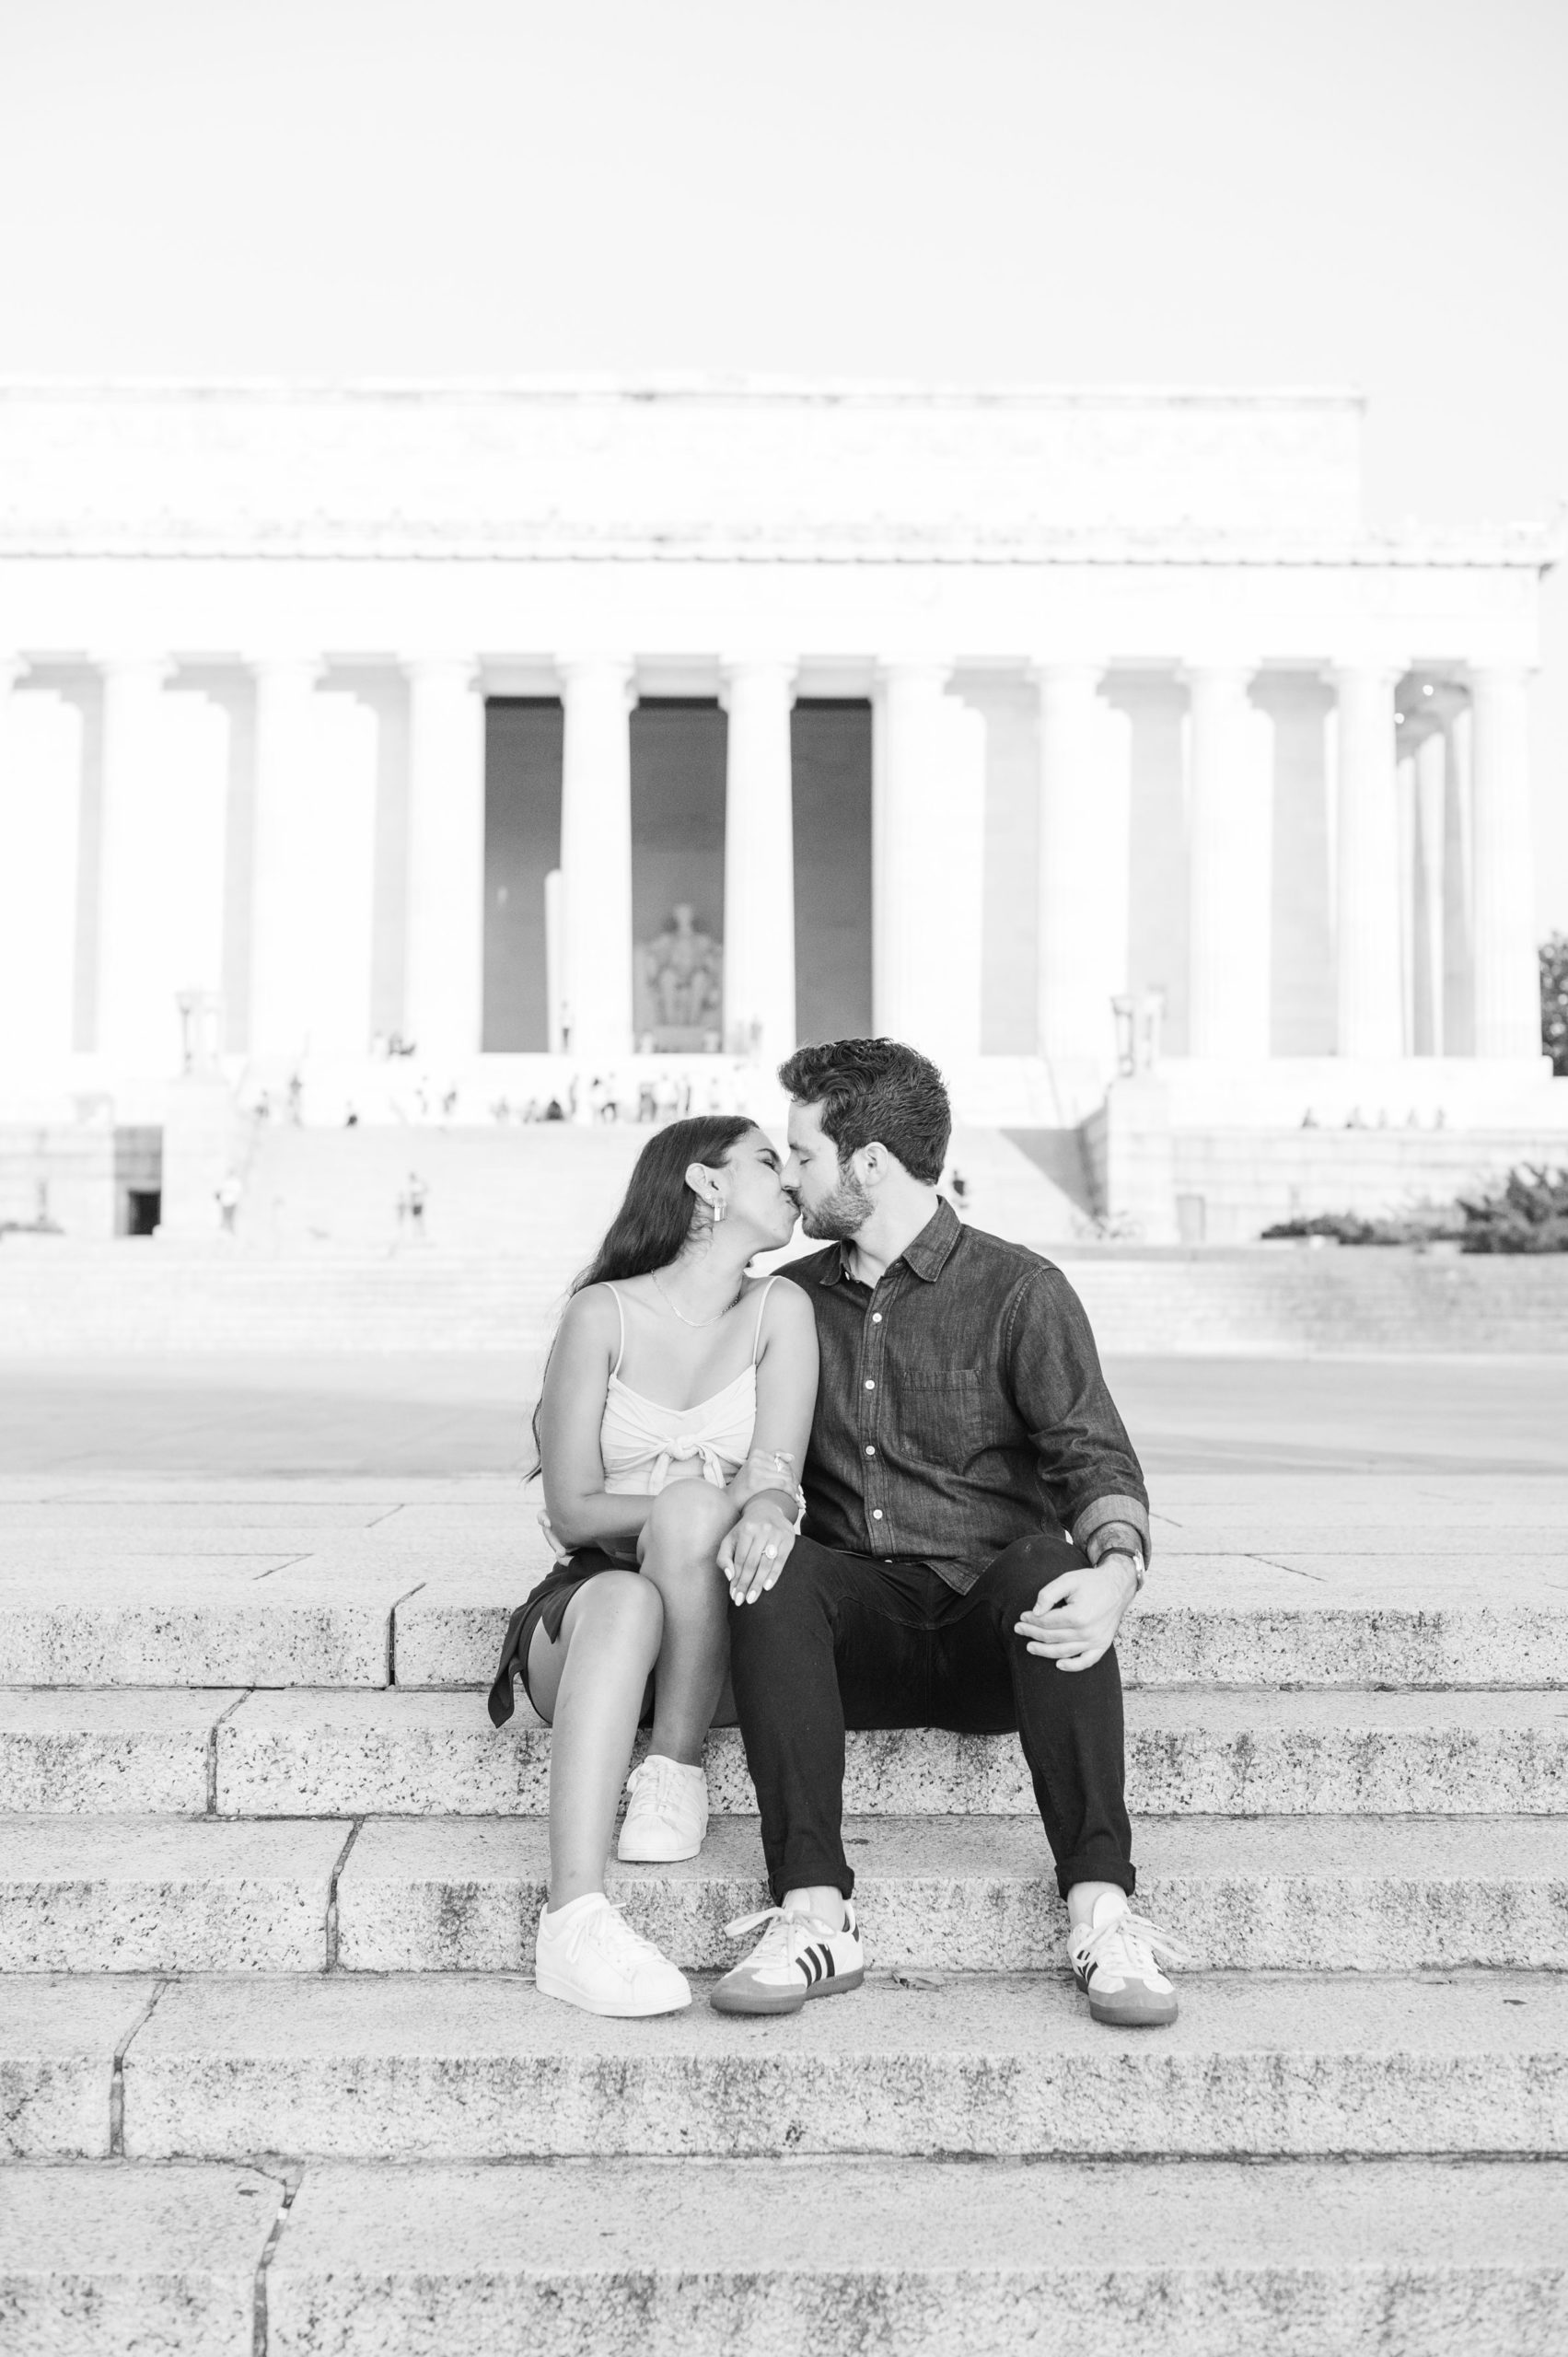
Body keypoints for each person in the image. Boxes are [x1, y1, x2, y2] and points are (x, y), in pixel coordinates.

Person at [714, 1037, 1183, 2029]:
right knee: (774, 1570)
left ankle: (1101, 1909)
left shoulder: (1019, 1291)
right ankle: (813, 1915)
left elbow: (1095, 1458)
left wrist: (1118, 1571)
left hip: (991, 1638)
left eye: (803, 1155)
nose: (790, 1178)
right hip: (850, 1639)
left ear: (868, 1163)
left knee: (1052, 1565)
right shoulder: (791, 1300)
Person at [488, 1114, 818, 2018]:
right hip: (595, 1614)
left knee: (697, 1522)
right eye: (764, 1159)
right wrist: (696, 1508)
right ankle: (574, 1916)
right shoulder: (602, 1314)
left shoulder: (778, 1311)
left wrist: (748, 1508)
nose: (788, 1175)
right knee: (632, 1597)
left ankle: (674, 1766)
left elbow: (777, 1482)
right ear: (705, 1184)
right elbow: (572, 1506)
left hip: (723, 1627)